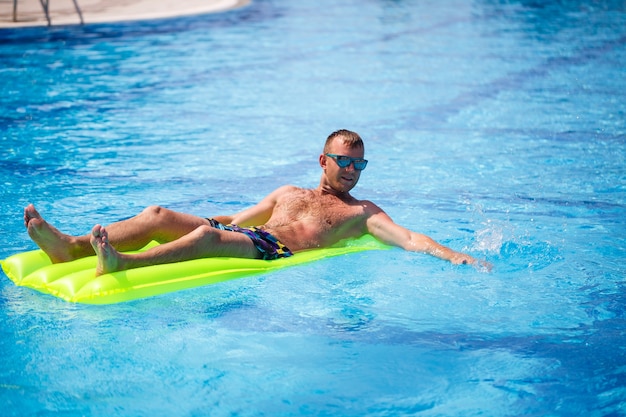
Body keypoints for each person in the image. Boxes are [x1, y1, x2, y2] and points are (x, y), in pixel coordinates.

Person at [24, 129, 484, 276]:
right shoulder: (288, 192)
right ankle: (70, 246)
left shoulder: (362, 213)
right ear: (323, 160)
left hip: (276, 250)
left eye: (359, 166)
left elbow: (408, 238)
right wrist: (173, 224)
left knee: (207, 235)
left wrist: (453, 254)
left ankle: (121, 262)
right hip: (251, 233)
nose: (351, 171)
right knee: (159, 214)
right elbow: (239, 219)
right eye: (344, 162)